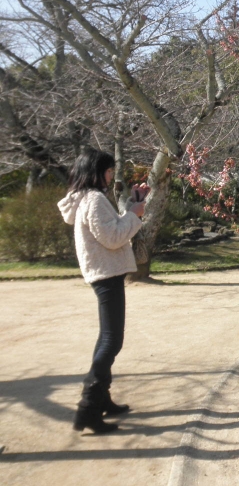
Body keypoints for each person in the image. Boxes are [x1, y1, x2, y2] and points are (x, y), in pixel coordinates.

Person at [58, 148, 149, 434]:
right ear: (96, 172)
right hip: (106, 273)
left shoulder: (87, 198)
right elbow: (113, 238)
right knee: (112, 340)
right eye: (108, 171)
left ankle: (102, 399)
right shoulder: (94, 199)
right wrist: (134, 215)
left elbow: (109, 230)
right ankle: (88, 408)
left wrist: (132, 207)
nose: (111, 176)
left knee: (106, 338)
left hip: (103, 272)